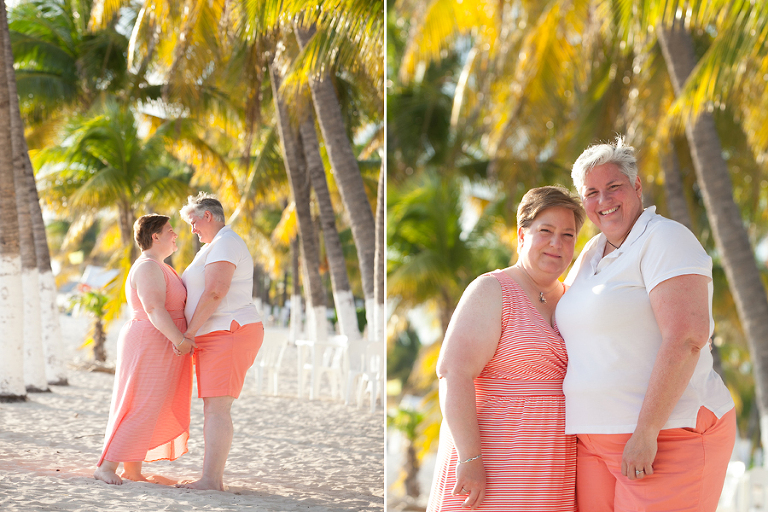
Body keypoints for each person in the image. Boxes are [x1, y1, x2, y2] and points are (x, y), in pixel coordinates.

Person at [556, 137, 736, 511]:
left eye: (614, 187)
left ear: (636, 186)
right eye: (592, 192)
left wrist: (645, 433)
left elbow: (687, 337)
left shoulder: (665, 239)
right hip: (593, 443)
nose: (603, 200)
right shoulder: (590, 252)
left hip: (666, 439)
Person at [426, 186, 585, 511]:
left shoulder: (574, 297)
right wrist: (470, 457)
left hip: (552, 464)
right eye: (546, 231)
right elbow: (453, 372)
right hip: (491, 460)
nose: (557, 243)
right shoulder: (492, 289)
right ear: (521, 233)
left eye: (568, 235)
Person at [94, 214, 194, 485]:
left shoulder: (162, 267)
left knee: (148, 404)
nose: (175, 235)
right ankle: (107, 466)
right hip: (151, 341)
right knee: (140, 404)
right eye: (170, 231)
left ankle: (133, 471)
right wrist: (179, 340)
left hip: (160, 340)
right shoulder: (148, 266)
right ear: (155, 236)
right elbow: (153, 309)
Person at [178, 192, 264, 491]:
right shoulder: (215, 245)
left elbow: (216, 291)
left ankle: (211, 480)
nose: (192, 230)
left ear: (208, 216)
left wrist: (188, 333)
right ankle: (210, 477)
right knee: (212, 407)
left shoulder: (226, 242)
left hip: (229, 331)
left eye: (193, 222)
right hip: (216, 333)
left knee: (217, 408)